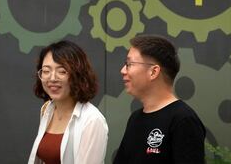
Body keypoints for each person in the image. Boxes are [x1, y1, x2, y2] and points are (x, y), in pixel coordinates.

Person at [113, 35, 205, 163]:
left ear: (153, 72)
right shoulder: (135, 118)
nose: (123, 70)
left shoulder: (183, 120)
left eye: (129, 64)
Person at [27, 40, 108, 164]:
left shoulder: (92, 120)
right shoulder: (47, 109)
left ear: (78, 75)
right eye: (46, 71)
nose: (52, 78)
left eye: (62, 71)